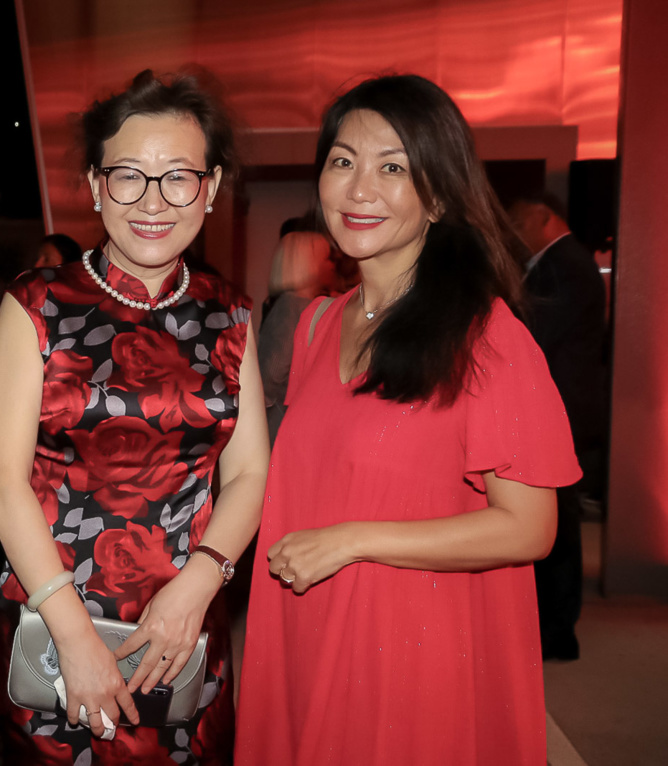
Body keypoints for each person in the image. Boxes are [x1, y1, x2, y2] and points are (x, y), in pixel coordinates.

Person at [236, 75, 581, 766]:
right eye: (342, 161)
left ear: (439, 196)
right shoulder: (314, 327)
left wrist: (352, 541)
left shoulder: (485, 335)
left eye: (392, 167)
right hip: (311, 626)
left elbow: (528, 526)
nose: (359, 188)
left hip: (416, 645)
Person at [0, 69, 269, 764]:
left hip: (187, 632)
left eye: (177, 177)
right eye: (128, 175)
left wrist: (197, 585)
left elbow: (251, 471)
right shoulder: (37, 304)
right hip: (52, 630)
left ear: (210, 186)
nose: (153, 200)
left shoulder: (230, 312)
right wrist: (75, 637)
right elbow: (0, 482)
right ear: (93, 185)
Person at [509, 193, 607, 661]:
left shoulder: (567, 262)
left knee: (560, 522)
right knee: (555, 517)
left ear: (544, 217)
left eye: (519, 220)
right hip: (559, 405)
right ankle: (551, 625)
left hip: (565, 406)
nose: (515, 230)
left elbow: (535, 332)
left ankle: (558, 632)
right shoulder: (556, 262)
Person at [257, 213, 338, 442]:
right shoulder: (293, 306)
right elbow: (271, 373)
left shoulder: (303, 304)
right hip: (284, 425)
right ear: (308, 262)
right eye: (327, 257)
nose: (332, 264)